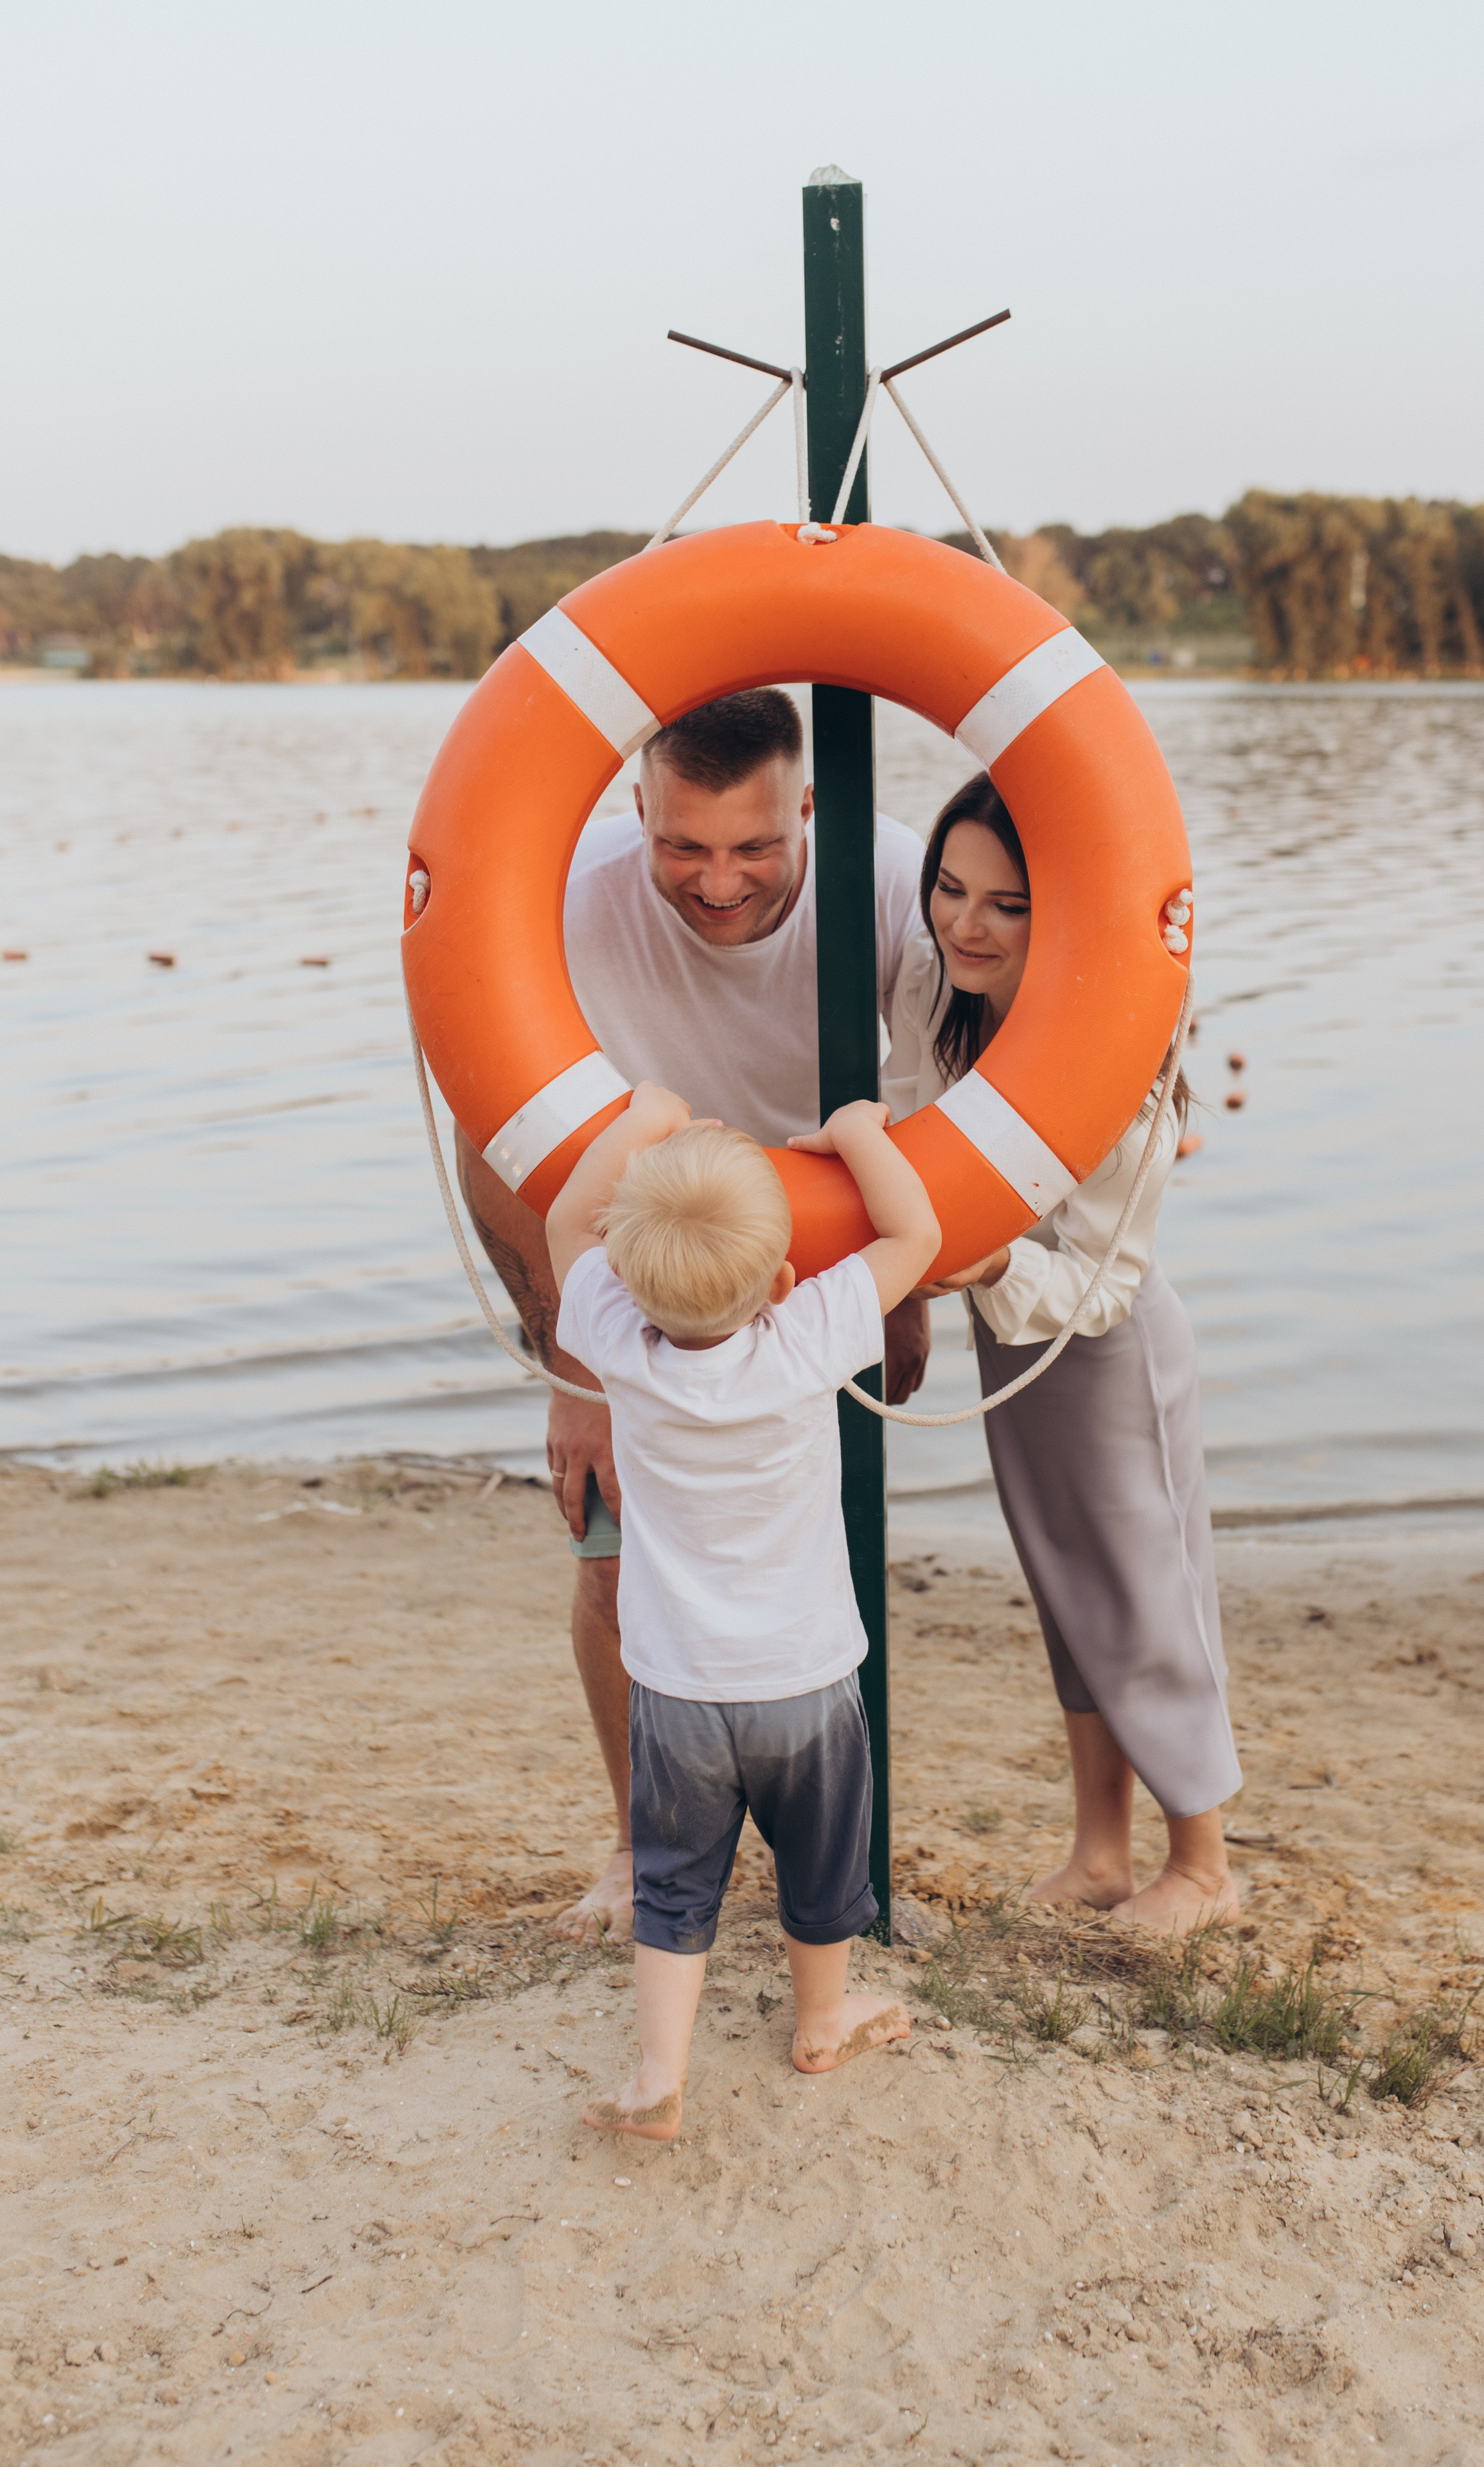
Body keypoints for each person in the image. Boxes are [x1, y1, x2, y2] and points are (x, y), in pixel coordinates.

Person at [454, 688, 930, 1944]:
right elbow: (495, 1142)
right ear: (635, 810)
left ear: (808, 809)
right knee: (615, 1566)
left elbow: (950, 1098)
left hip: (810, 1267)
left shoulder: (887, 879)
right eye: (682, 846)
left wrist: (907, 1286)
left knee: (818, 1573)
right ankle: (637, 1850)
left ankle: (832, 1884)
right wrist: (574, 1369)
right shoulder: (572, 899)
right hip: (628, 1277)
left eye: (753, 848)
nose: (718, 882)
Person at [545, 1081, 939, 2139]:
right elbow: (918, 1231)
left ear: (622, 1278)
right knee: (822, 1862)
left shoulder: (617, 1340)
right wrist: (857, 1132)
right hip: (806, 1682)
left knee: (675, 1883)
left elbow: (561, 1222)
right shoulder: (808, 1334)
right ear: (780, 1277)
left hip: (677, 1687)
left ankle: (658, 2076)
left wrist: (646, 1118)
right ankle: (824, 2020)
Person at [884, 774, 1242, 1934]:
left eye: (1007, 905)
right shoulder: (958, 1017)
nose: (965, 925)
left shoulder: (1114, 1039)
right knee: (1070, 1595)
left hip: (1110, 1355)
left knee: (1149, 1600)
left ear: (1065, 912)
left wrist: (985, 1269)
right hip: (1013, 1356)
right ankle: (1101, 1852)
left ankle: (1204, 1864)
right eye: (949, 889)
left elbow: (1109, 1282)